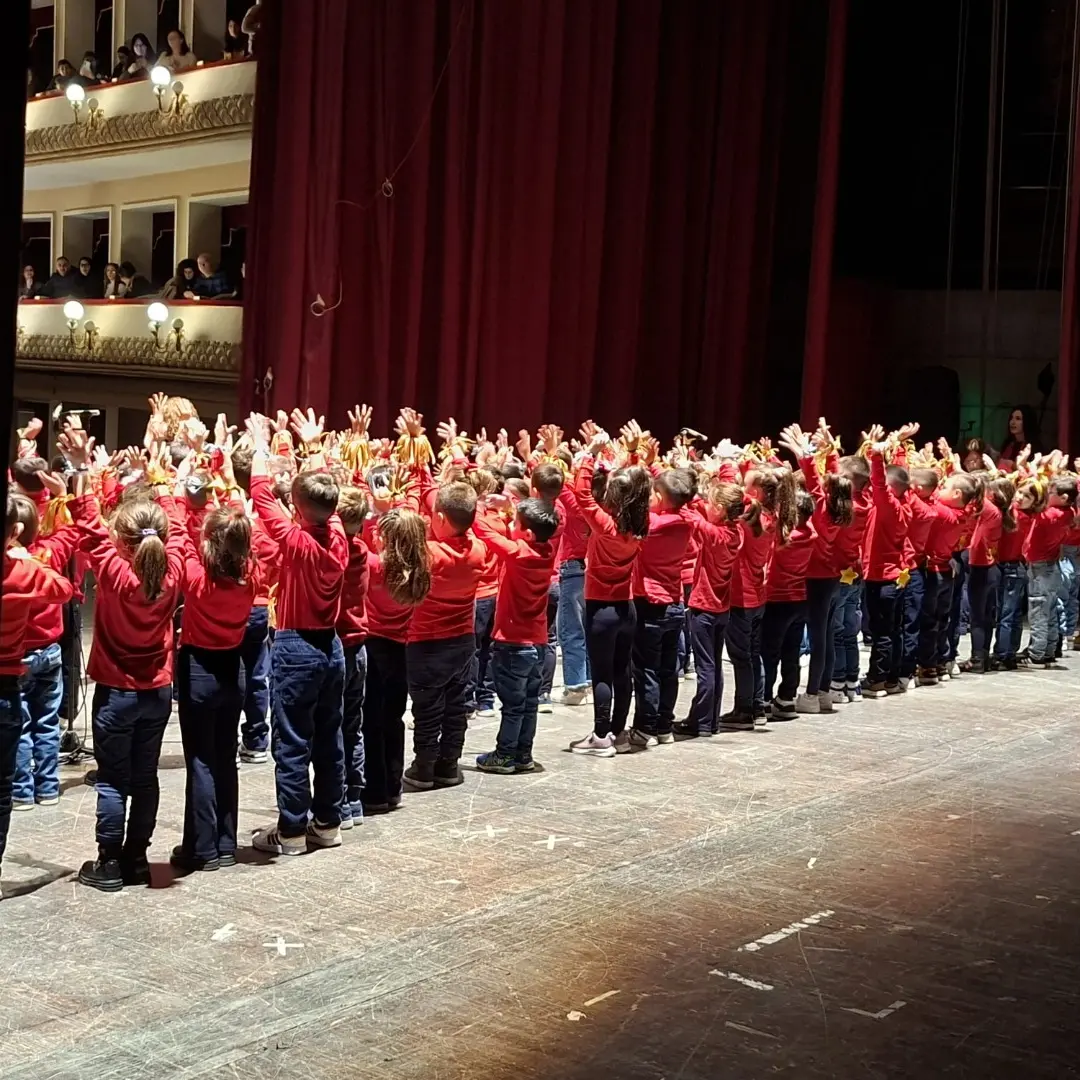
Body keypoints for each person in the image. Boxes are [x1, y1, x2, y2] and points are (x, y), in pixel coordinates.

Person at [62, 426, 186, 892]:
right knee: (145, 777)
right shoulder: (171, 569)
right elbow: (176, 532)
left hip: (117, 693)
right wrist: (161, 474)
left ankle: (109, 863)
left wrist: (80, 468)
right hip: (157, 692)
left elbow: (89, 523)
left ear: (122, 540)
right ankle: (138, 858)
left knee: (113, 781)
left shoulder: (114, 570)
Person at [246, 410, 349, 856]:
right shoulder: (339, 535)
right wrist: (308, 447)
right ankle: (327, 823)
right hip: (332, 646)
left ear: (299, 508)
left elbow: (260, 493)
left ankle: (289, 832)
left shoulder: (296, 541)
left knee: (292, 741)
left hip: (296, 646)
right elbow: (323, 494)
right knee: (330, 737)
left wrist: (264, 446)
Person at [171, 461, 255, 872]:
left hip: (200, 668)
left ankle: (200, 848)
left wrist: (187, 501)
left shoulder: (196, 578)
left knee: (201, 759)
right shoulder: (250, 579)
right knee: (225, 758)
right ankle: (226, 843)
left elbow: (180, 540)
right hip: (233, 671)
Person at [0, 495, 75, 890]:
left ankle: (26, 791)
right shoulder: (28, 568)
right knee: (41, 723)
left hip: (25, 661)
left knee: (33, 725)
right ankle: (43, 787)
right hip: (25, 665)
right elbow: (64, 589)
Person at [402, 466, 487, 790]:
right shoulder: (478, 550)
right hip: (462, 640)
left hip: (426, 642)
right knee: (455, 707)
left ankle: (423, 768)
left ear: (439, 518)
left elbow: (409, 527)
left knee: (426, 710)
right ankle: (449, 765)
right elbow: (460, 513)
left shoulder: (430, 553)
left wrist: (419, 479)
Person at [567, 428, 651, 754]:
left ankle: (600, 737)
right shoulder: (640, 524)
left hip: (600, 608)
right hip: (626, 608)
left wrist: (589, 453)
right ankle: (619, 732)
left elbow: (581, 495)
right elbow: (639, 488)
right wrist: (630, 454)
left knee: (602, 674)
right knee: (622, 671)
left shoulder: (606, 525)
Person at [472, 497, 560, 773]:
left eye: (515, 523)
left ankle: (505, 754)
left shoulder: (519, 554)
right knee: (529, 702)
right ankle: (523, 753)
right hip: (537, 642)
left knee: (511, 704)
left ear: (528, 534)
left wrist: (476, 506)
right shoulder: (548, 550)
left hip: (512, 642)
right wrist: (515, 505)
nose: (510, 524)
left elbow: (482, 531)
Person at [362, 506, 430, 813]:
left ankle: (374, 791)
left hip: (373, 646)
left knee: (370, 723)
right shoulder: (419, 569)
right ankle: (392, 787)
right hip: (399, 648)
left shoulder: (375, 564)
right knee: (393, 720)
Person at [785, 422, 853, 714]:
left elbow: (814, 479)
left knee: (818, 638)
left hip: (815, 578)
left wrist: (804, 455)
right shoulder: (843, 506)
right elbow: (833, 479)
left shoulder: (823, 510)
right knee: (826, 635)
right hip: (832, 578)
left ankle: (812, 693)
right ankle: (824, 690)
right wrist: (832, 450)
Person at [723, 460, 796, 729]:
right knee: (752, 654)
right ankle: (756, 705)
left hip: (742, 596)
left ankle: (744, 710)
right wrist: (746, 465)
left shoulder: (752, 517)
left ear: (755, 493)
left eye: (747, 484)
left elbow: (728, 490)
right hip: (757, 595)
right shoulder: (771, 514)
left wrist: (727, 467)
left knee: (742, 656)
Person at [628, 460, 695, 747]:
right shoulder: (688, 519)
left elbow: (630, 505)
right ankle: (665, 726)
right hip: (675, 603)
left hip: (650, 604)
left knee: (647, 670)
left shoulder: (651, 523)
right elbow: (683, 493)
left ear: (659, 497)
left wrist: (636, 464)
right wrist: (658, 472)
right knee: (670, 671)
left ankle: (645, 728)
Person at [859, 427, 913, 697]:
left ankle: (877, 679)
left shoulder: (890, 507)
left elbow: (881, 483)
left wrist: (878, 456)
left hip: (882, 578)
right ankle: (893, 677)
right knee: (892, 630)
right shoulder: (906, 502)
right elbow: (902, 475)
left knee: (882, 632)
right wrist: (898, 447)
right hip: (894, 577)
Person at [333, 487, 370, 827]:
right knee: (352, 727)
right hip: (359, 646)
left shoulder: (332, 555)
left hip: (339, 645)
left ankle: (338, 804)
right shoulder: (362, 549)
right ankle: (354, 800)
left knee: (333, 727)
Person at [1023, 474, 1078, 666]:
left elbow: (1034, 509)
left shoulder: (1051, 514)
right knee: (1051, 609)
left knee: (1038, 611)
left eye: (1051, 493)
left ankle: (1036, 653)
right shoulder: (1069, 512)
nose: (1047, 495)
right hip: (1051, 565)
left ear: (1063, 498)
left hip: (1041, 566)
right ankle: (1048, 650)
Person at [830, 454, 871, 701]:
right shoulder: (865, 502)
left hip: (840, 571)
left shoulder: (848, 507)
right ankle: (850, 681)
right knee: (849, 632)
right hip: (854, 571)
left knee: (837, 631)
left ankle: (837, 682)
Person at [963, 474, 1007, 674]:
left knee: (978, 617)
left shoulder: (986, 509)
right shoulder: (993, 509)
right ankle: (983, 656)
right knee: (986, 616)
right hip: (991, 567)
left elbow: (977, 543)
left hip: (982, 567)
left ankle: (977, 659)